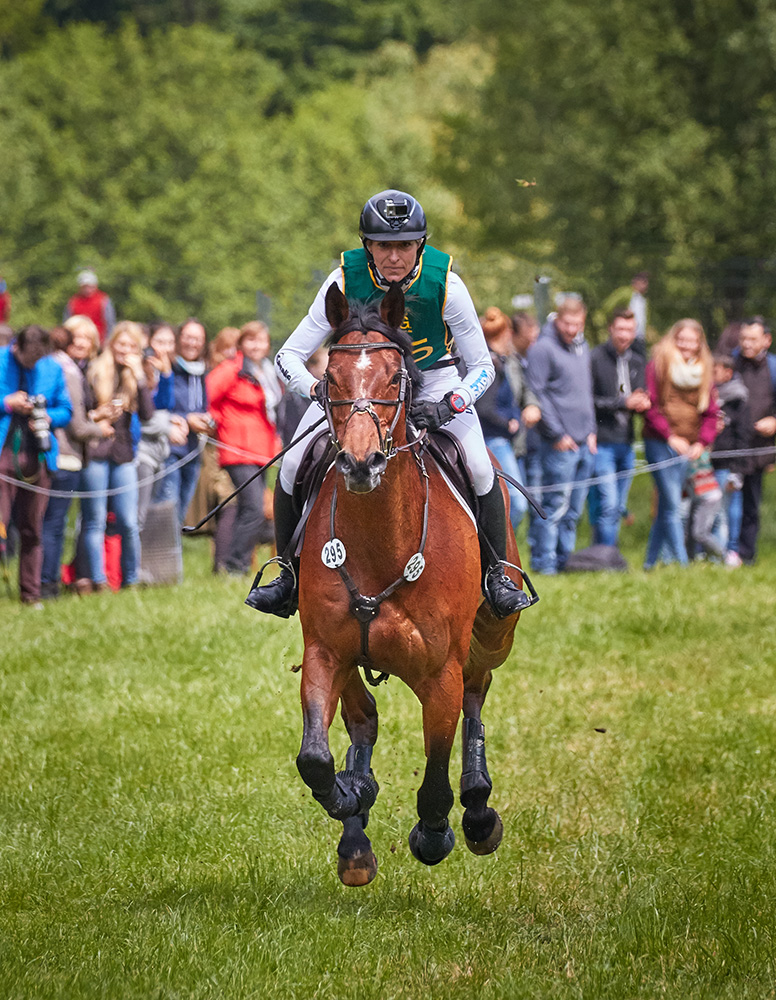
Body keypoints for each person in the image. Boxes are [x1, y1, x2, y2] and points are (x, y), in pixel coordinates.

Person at [247, 188, 529, 619]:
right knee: (291, 463)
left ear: (419, 245)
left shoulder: (446, 284)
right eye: (384, 246)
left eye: (404, 245)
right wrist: (316, 390)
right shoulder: (342, 278)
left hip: (435, 381)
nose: (394, 256)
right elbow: (288, 356)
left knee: (476, 464)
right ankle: (288, 573)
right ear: (368, 246)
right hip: (356, 385)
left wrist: (452, 403)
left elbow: (483, 366)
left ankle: (497, 576)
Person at [40, 325, 114, 598]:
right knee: (54, 525)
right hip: (66, 455)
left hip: (51, 453)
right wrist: (101, 429)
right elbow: (76, 425)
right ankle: (47, 584)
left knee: (47, 522)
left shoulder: (47, 365)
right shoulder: (68, 370)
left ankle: (45, 581)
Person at [0, 326, 72, 604]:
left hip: (38, 456)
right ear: (16, 346)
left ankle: (30, 594)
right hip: (4, 452)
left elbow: (66, 410)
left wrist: (48, 417)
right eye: (29, 358)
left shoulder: (51, 368)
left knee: (33, 528)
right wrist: (7, 402)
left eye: (38, 359)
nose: (33, 364)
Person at [81, 321, 154, 590]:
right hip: (97, 452)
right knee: (95, 520)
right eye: (121, 344)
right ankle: (98, 580)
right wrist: (97, 416)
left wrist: (141, 377)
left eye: (132, 346)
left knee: (128, 521)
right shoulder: (96, 371)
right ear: (112, 344)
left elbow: (147, 414)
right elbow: (82, 412)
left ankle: (131, 579)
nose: (126, 350)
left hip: (123, 455)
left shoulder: (134, 377)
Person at [527, 296, 597, 575]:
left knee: (574, 510)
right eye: (568, 324)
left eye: (578, 324)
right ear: (557, 320)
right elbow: (537, 394)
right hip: (559, 443)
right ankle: (545, 563)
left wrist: (592, 430)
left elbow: (585, 391)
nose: (572, 330)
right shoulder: (542, 349)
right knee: (555, 506)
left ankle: (565, 560)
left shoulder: (582, 346)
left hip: (584, 440)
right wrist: (556, 433)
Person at [642, 319, 718, 570]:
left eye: (692, 340)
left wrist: (702, 442)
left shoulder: (705, 369)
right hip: (659, 442)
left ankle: (650, 563)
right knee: (673, 503)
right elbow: (651, 406)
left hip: (689, 446)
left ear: (699, 344)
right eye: (681, 339)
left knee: (667, 504)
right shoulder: (659, 364)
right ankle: (682, 563)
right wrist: (670, 436)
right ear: (673, 339)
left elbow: (710, 412)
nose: (686, 345)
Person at [206, 321, 281, 575]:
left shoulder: (265, 371)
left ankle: (230, 564)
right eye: (250, 340)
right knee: (254, 509)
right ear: (241, 344)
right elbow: (208, 396)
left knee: (248, 510)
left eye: (261, 341)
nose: (256, 345)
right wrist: (214, 421)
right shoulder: (232, 369)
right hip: (237, 449)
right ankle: (235, 566)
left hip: (261, 450)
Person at [588, 310, 650, 547]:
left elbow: (640, 393)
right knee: (608, 502)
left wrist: (643, 403)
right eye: (621, 329)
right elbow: (589, 400)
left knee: (618, 504)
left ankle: (605, 554)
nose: (625, 335)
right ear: (610, 329)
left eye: (630, 330)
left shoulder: (637, 360)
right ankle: (605, 555)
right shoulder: (595, 358)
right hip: (602, 442)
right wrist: (624, 403)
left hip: (627, 442)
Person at [475, 307, 539, 530]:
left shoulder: (504, 361)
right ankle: (497, 552)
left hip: (503, 442)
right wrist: (509, 424)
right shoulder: (491, 364)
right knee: (518, 504)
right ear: (506, 334)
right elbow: (484, 408)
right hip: (494, 441)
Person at [153, 318, 210, 525]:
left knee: (181, 510)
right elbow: (156, 405)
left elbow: (205, 406)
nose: (192, 343)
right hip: (170, 451)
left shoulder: (202, 372)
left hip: (193, 452)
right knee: (168, 506)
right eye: (188, 337)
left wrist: (207, 420)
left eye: (198, 339)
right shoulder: (167, 368)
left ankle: (173, 555)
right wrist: (186, 419)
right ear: (179, 339)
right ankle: (161, 556)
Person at [136, 323, 188, 531]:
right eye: (159, 342)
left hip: (157, 452)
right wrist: (167, 428)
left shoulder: (161, 371)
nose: (164, 348)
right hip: (141, 453)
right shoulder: (140, 371)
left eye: (169, 343)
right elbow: (145, 414)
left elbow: (164, 406)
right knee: (138, 514)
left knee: (147, 512)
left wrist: (166, 375)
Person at [733, 317, 776, 565]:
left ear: (766, 340)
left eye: (752, 339)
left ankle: (746, 554)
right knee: (722, 502)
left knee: (751, 504)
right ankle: (719, 550)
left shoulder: (773, 368)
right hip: (729, 449)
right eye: (743, 339)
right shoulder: (730, 363)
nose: (747, 344)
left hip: (759, 449)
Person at [710, 353, 749, 565]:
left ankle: (729, 551)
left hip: (729, 464)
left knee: (727, 510)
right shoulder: (709, 397)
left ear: (727, 372)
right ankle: (714, 550)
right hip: (709, 462)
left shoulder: (737, 399)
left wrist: (737, 470)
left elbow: (743, 436)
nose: (711, 375)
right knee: (712, 510)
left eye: (714, 371)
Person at [64, 270, 116, 345]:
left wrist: (108, 340)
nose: (88, 290)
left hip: (99, 341)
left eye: (90, 287)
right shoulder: (73, 302)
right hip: (77, 341)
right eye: (85, 287)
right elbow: (67, 322)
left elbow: (110, 322)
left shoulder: (103, 300)